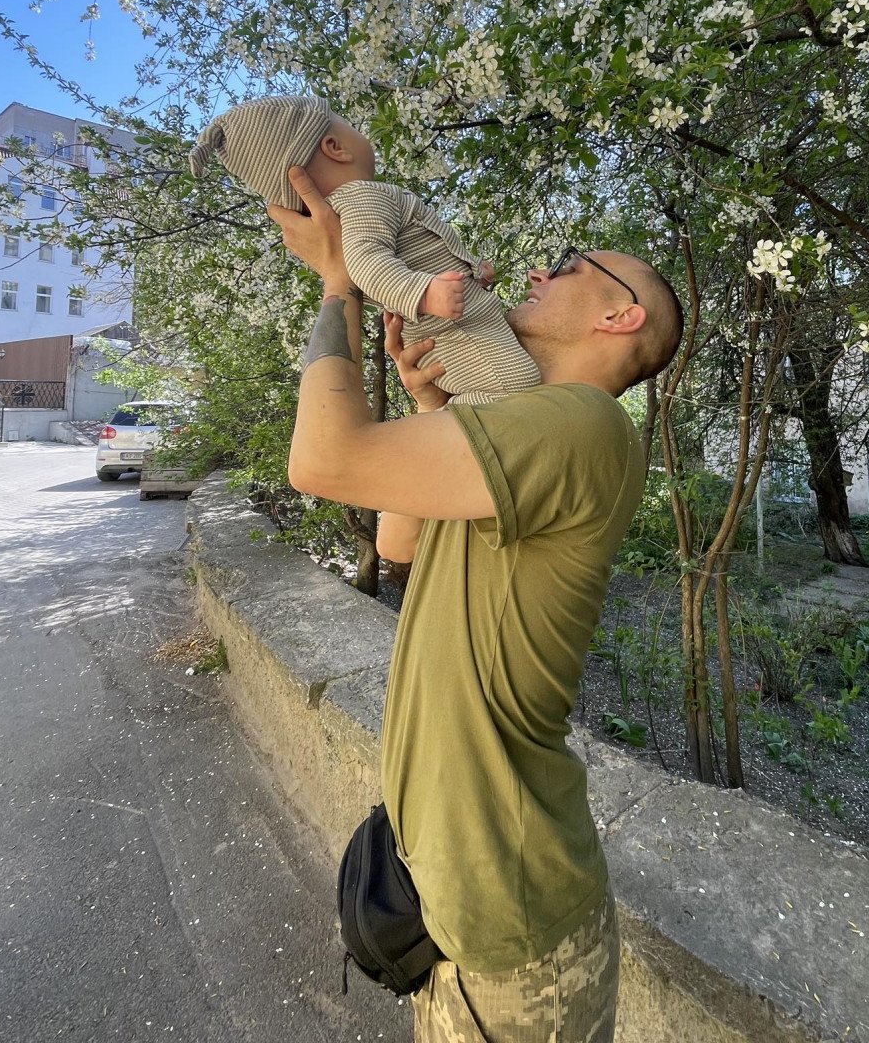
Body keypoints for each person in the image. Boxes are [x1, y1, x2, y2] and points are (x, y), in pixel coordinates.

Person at [268, 166, 683, 1043]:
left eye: (570, 266)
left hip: (515, 930)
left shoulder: (585, 424)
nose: (539, 270)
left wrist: (340, 282)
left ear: (620, 316)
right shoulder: (529, 424)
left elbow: (322, 459)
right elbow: (399, 548)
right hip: (464, 903)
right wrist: (430, 403)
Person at [189, 95, 540, 403]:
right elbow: (366, 262)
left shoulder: (356, 207)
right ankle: (453, 420)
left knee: (519, 384)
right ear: (335, 147)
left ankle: (451, 417)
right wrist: (425, 293)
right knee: (518, 386)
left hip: (461, 330)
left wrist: (475, 272)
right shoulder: (362, 197)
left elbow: (421, 248)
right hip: (456, 334)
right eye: (350, 125)